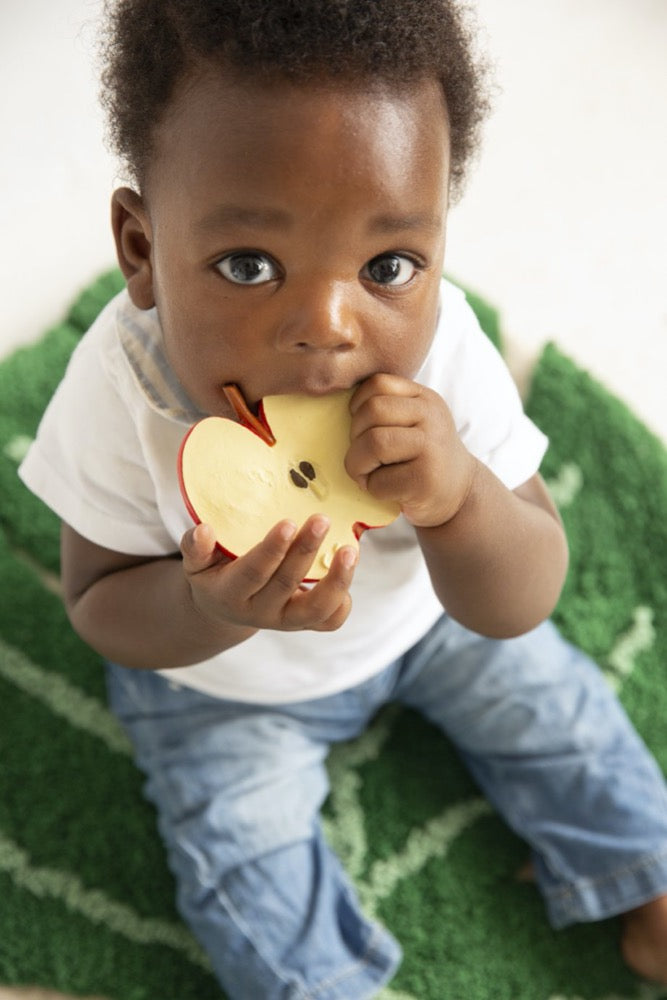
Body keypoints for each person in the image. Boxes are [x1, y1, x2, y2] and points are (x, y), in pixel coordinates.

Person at [19, 1, 667, 995]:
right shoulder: (121, 394)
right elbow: (99, 600)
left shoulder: (444, 360)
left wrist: (457, 500)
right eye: (249, 266)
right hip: (218, 696)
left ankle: (648, 886)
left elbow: (522, 594)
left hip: (425, 626)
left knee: (562, 713)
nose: (327, 326)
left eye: (387, 267)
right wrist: (205, 608)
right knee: (242, 867)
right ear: (142, 249)